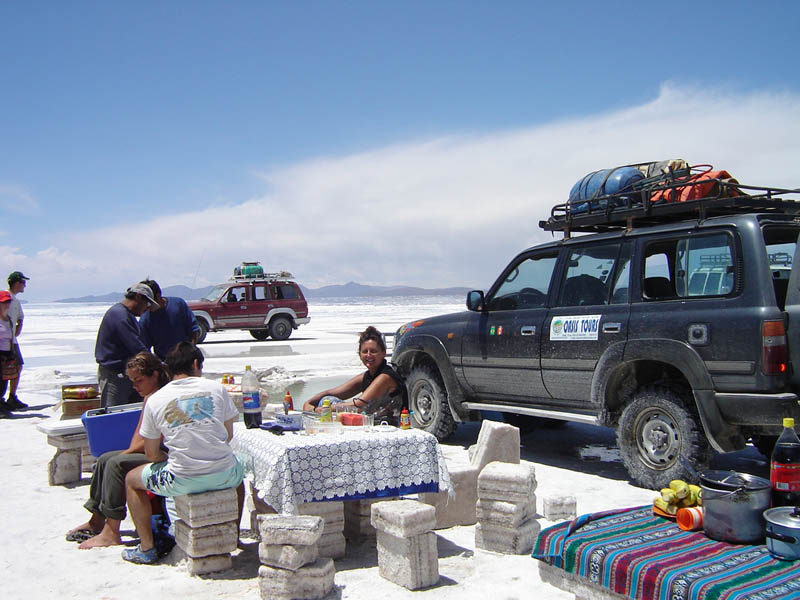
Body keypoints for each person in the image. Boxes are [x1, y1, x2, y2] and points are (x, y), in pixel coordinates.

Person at [122, 342, 244, 564]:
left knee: (131, 480)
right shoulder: (217, 389)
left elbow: (151, 453)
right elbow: (227, 435)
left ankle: (147, 548)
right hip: (224, 474)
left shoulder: (155, 399)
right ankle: (233, 535)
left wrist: (164, 459)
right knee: (239, 474)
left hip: (182, 478)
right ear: (196, 364)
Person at [65, 352, 169, 549]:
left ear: (154, 375)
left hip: (161, 452)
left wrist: (127, 453)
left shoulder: (159, 398)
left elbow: (153, 439)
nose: (135, 386)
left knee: (115, 463)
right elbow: (139, 434)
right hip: (151, 449)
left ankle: (112, 531)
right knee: (105, 458)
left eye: (139, 380)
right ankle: (97, 518)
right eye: (133, 381)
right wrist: (129, 451)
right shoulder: (149, 397)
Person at [302, 326, 407, 425]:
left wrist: (321, 410)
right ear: (359, 354)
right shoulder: (367, 376)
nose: (369, 355)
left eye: (374, 351)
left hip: (389, 425)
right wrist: (309, 402)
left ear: (383, 353)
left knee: (329, 405)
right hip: (370, 421)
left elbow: (359, 405)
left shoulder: (385, 377)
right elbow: (332, 393)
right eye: (365, 351)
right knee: (328, 399)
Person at [94, 283, 158, 408]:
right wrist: (157, 365)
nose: (147, 308)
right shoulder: (120, 316)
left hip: (127, 375)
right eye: (147, 303)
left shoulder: (126, 315)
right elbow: (136, 347)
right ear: (139, 297)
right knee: (112, 414)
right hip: (114, 375)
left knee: (133, 411)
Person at [139, 279, 200, 360]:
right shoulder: (145, 320)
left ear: (158, 295)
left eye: (150, 302)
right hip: (164, 362)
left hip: (186, 359)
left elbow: (193, 330)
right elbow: (145, 348)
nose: (147, 306)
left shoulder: (178, 304)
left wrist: (191, 353)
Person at [5, 271, 29, 410]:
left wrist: (19, 326)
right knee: (6, 368)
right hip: (4, 340)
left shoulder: (15, 300)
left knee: (17, 366)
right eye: (23, 283)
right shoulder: (5, 297)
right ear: (16, 283)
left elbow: (20, 316)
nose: (24, 286)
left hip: (12, 340)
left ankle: (12, 396)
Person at [0, 291, 19, 418]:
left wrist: (12, 354)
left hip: (7, 354)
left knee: (4, 382)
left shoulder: (9, 320)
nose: (7, 305)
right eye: (4, 302)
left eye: (8, 302)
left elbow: (11, 337)